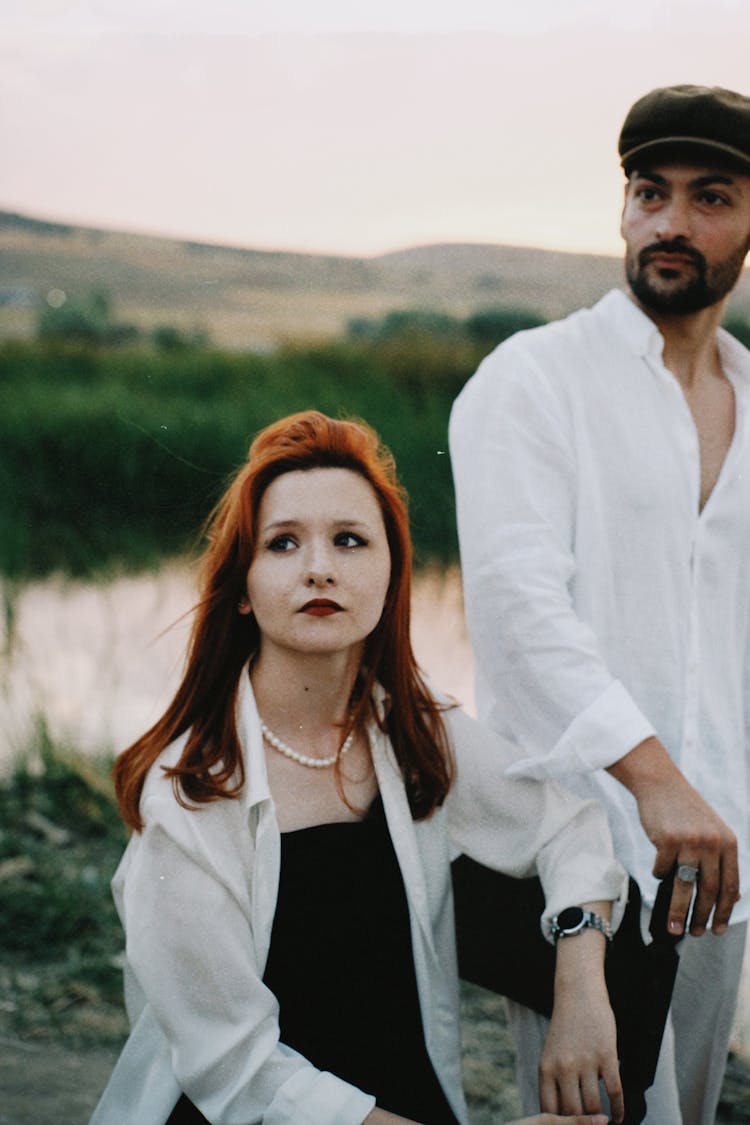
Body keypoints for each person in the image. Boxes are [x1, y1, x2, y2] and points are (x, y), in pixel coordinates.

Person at [90, 410, 627, 1125]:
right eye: (283, 543)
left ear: (389, 573)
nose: (320, 566)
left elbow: (570, 826)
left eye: (349, 540)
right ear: (244, 588)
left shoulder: (413, 731)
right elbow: (240, 1073)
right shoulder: (188, 797)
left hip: (406, 1099)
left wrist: (581, 986)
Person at [449, 84, 750, 1125]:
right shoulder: (533, 379)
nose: (670, 222)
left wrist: (710, 800)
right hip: (583, 856)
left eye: (710, 196)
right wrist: (653, 778)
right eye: (647, 192)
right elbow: (517, 609)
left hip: (726, 861)